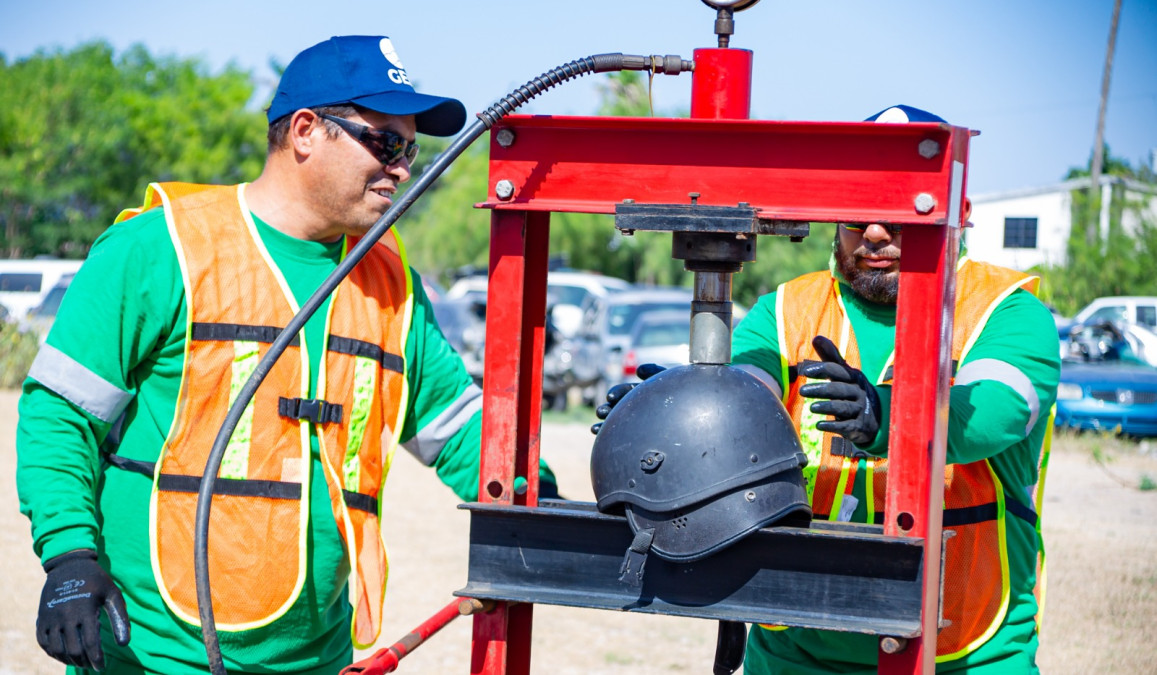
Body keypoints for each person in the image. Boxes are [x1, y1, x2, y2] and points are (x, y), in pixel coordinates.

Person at [17, 35, 556, 674]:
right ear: (306, 131)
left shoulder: (391, 284)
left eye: (411, 149)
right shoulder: (159, 249)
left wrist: (547, 505)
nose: (404, 167)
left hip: (317, 659)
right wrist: (70, 559)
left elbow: (464, 432)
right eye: (385, 142)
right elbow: (60, 416)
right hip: (156, 655)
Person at [597, 106, 1059, 673]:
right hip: (796, 647)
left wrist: (884, 416)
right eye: (859, 212)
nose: (874, 232)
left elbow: (995, 413)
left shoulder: (1005, 312)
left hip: (964, 652)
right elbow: (745, 389)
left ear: (955, 211)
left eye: (897, 212)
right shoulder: (787, 309)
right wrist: (667, 413)